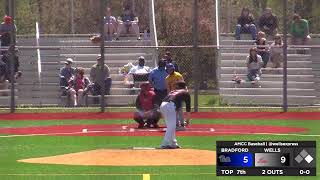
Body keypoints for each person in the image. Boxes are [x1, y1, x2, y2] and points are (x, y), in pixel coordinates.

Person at [159, 81, 191, 149]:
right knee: (172, 126)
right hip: (170, 105)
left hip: (162, 105)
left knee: (171, 126)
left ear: (178, 87)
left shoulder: (173, 91)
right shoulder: (186, 93)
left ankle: (173, 143)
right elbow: (188, 109)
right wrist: (187, 120)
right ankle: (164, 144)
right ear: (185, 87)